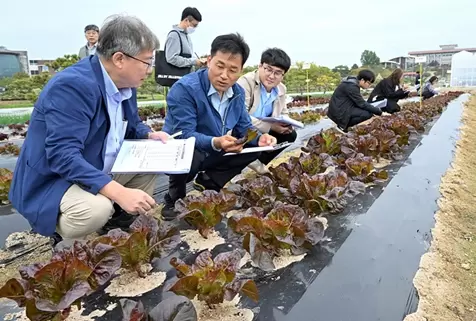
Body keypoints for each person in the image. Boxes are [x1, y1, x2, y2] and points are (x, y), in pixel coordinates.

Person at [9, 15, 169, 243]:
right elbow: (62, 156)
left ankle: (116, 225)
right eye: (146, 61)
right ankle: (62, 237)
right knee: (96, 209)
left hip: (95, 164)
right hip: (55, 179)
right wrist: (119, 192)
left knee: (150, 161)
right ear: (120, 59)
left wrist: (150, 134)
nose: (149, 69)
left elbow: (132, 124)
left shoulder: (126, 83)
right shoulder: (73, 86)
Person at [161, 33, 277, 219]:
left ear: (241, 70)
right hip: (183, 151)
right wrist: (216, 142)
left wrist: (260, 138)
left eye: (232, 70)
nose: (224, 75)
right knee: (191, 152)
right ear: (209, 61)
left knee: (254, 148)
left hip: (215, 147)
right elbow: (185, 134)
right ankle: (174, 196)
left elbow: (245, 128)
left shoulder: (237, 93)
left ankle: (209, 181)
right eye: (219, 66)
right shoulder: (185, 89)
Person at [237, 48, 296, 173]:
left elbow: (283, 111)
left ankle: (258, 162)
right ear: (260, 66)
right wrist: (271, 127)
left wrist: (287, 123)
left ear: (283, 75)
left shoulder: (281, 89)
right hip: (243, 128)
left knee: (290, 135)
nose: (271, 76)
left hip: (262, 129)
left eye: (278, 73)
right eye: (268, 69)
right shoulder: (246, 82)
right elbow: (240, 116)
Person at [165, 7, 206, 72]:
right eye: (194, 25)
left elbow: (188, 58)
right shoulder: (174, 35)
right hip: (175, 78)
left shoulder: (187, 37)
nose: (195, 28)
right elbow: (171, 58)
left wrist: (198, 61)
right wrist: (194, 61)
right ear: (186, 20)